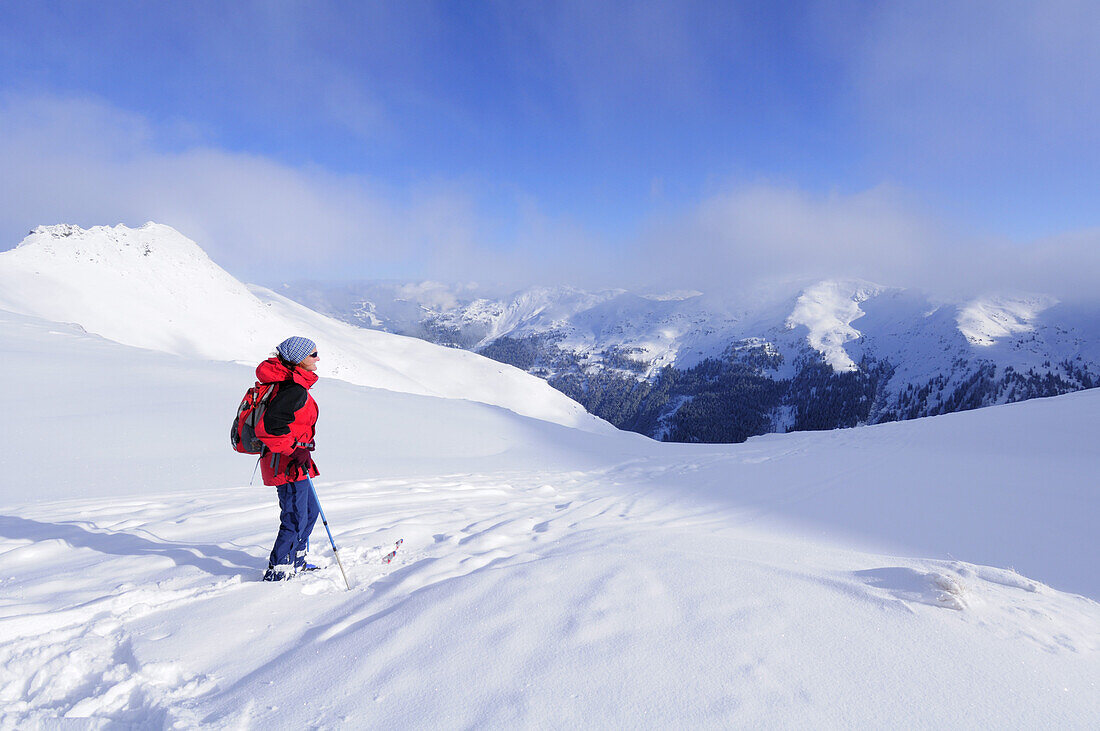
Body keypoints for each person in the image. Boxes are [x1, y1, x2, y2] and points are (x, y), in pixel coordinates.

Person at [255, 336, 322, 581]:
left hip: (295, 460)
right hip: (286, 462)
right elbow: (269, 428)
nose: (317, 358)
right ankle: (279, 571)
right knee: (295, 517)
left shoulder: (294, 384)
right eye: (313, 354)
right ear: (299, 359)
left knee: (309, 512)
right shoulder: (292, 389)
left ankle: (297, 560)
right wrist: (295, 450)